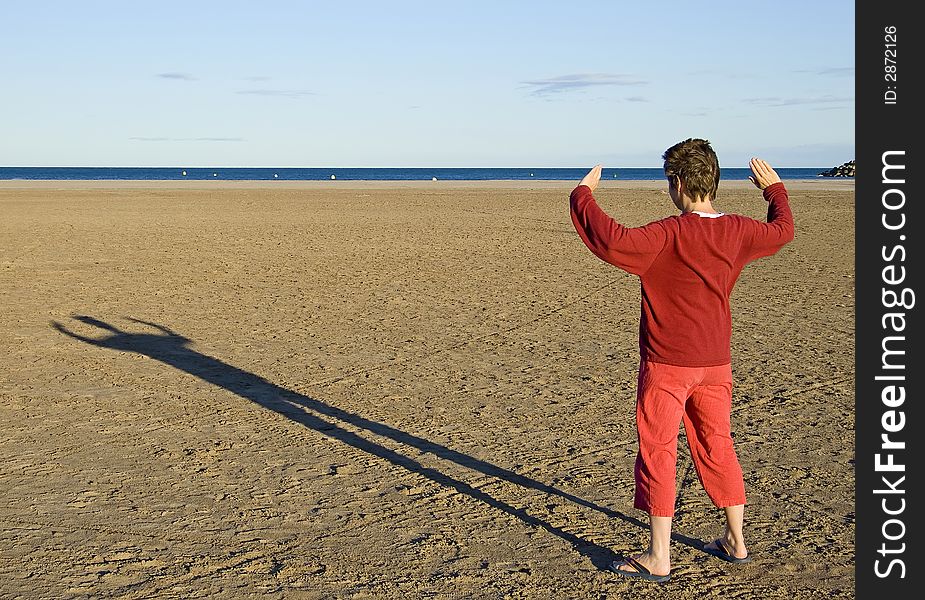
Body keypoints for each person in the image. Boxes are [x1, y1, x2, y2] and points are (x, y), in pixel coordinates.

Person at [568, 139, 794, 582]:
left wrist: (582, 194)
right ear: (713, 181)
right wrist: (776, 191)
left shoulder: (666, 235)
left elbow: (611, 240)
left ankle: (659, 556)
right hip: (715, 363)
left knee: (658, 450)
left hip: (667, 365)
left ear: (677, 183)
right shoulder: (738, 231)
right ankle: (736, 539)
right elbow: (782, 230)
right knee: (717, 443)